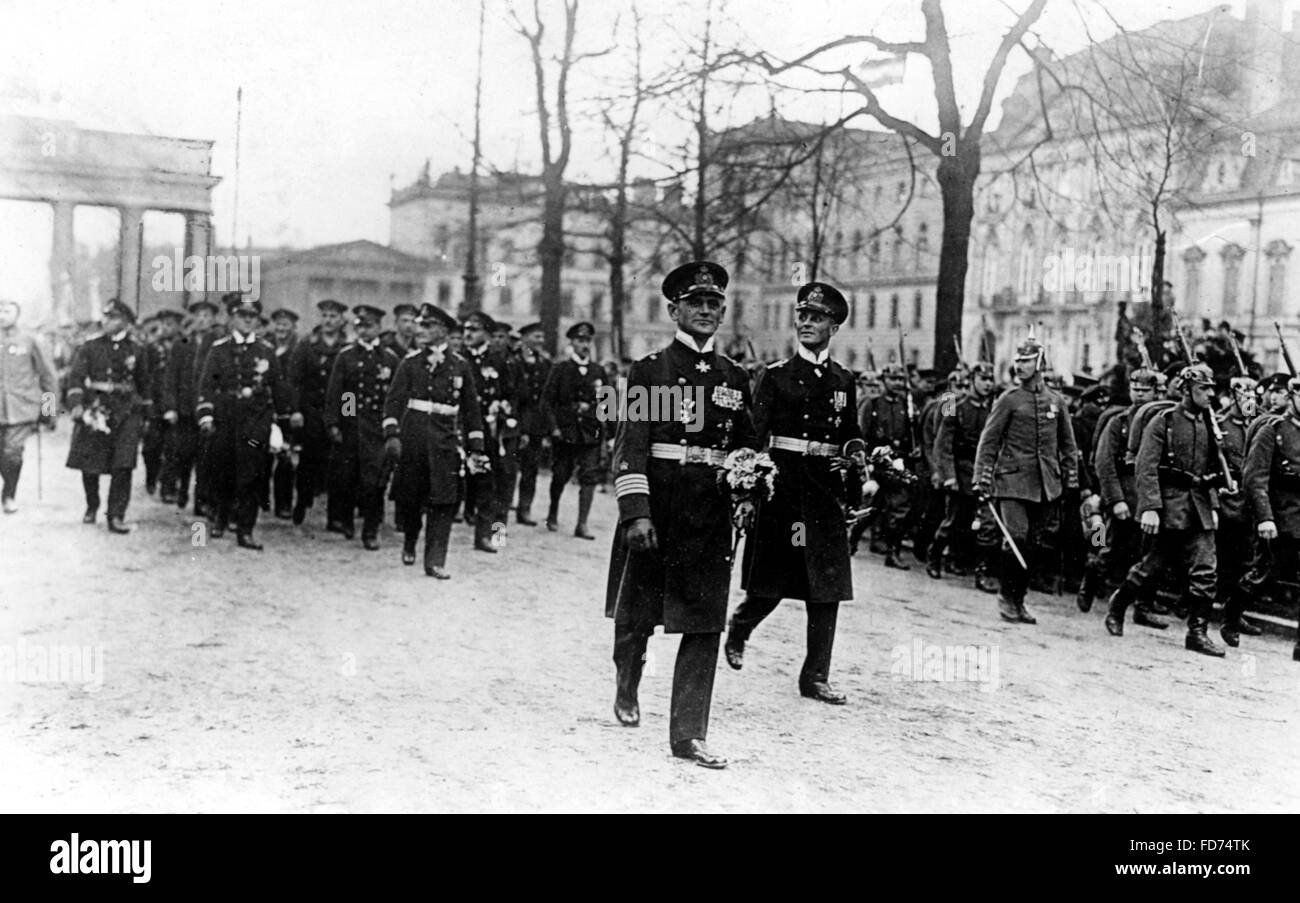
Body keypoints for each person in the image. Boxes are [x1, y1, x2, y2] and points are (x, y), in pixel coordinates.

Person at [605, 260, 757, 769]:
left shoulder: (735, 376)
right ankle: (628, 682)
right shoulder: (651, 370)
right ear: (675, 310)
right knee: (637, 618)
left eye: (715, 304)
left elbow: (748, 447)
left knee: (704, 623)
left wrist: (749, 485)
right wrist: (635, 512)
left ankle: (688, 734)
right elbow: (632, 446)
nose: (707, 311)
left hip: (709, 518)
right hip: (659, 509)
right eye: (696, 303)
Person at [725, 282, 863, 705]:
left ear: (833, 326)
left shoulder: (844, 380)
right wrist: (747, 488)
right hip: (784, 492)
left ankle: (815, 676)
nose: (806, 323)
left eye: (816, 317)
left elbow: (850, 433)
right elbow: (753, 434)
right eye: (802, 315)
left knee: (827, 588)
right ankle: (741, 627)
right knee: (774, 581)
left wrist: (855, 454)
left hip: (824, 495)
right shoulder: (776, 376)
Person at [1103, 364, 1226, 657]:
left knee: (1206, 569)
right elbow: (1145, 468)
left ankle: (1197, 633)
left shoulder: (1209, 423)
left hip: (1200, 506)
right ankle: (1119, 605)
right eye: (1203, 389)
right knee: (1151, 567)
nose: (1210, 394)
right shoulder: (1163, 422)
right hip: (1169, 505)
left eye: (1211, 388)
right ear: (1185, 390)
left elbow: (1213, 468)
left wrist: (1215, 505)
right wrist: (1150, 508)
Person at [972, 335, 1079, 624]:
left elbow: (1067, 445)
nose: (1020, 366)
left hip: (1046, 485)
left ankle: (1019, 600)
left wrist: (1070, 480)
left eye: (1027, 361)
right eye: (1018, 361)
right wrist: (982, 479)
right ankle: (1006, 599)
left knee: (1033, 544)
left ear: (1040, 363)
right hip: (1012, 483)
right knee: (1015, 537)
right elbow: (989, 442)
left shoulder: (1055, 401)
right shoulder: (1008, 400)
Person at [384, 304, 484, 578]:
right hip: (414, 440)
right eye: (421, 325)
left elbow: (472, 412)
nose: (421, 330)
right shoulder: (410, 363)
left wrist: (476, 447)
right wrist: (392, 434)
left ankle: (435, 560)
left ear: (442, 330)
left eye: (428, 326)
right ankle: (409, 542)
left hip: (446, 443)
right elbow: (393, 402)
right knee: (412, 499)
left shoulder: (460, 366)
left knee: (443, 502)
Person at [196, 295, 291, 550]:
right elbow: (207, 386)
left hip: (255, 422)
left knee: (251, 475)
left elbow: (278, 389)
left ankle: (246, 529)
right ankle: (220, 517)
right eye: (242, 316)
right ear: (232, 319)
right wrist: (206, 416)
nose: (248, 321)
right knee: (223, 471)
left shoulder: (266, 352)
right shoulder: (218, 350)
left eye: (253, 317)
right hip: (225, 420)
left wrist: (281, 426)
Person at [1076, 366, 1167, 629]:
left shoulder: (1160, 422)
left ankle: (1140, 607)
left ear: (1155, 392)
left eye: (1145, 390)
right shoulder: (1118, 422)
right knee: (1111, 547)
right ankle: (1091, 574)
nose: (1139, 395)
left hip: (1150, 498)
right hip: (1123, 495)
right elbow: (1103, 463)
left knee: (1146, 555)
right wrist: (1115, 499)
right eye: (1135, 389)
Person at [1227, 375, 1300, 661]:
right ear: (1292, 397)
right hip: (1280, 517)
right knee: (1264, 576)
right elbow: (1255, 478)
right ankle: (1231, 615)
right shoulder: (1273, 429)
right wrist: (1265, 518)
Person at [65, 299, 151, 532]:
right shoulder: (90, 346)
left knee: (123, 464)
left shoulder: (137, 349)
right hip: (97, 408)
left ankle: (116, 515)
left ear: (125, 322)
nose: (106, 322)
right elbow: (75, 379)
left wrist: (146, 415)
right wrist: (76, 405)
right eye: (105, 317)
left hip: (127, 412)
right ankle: (92, 504)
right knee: (90, 464)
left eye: (112, 318)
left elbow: (145, 385)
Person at [324, 305, 402, 550]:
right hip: (354, 427)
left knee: (375, 481)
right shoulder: (347, 355)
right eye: (360, 326)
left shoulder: (389, 358)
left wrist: (391, 425)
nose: (364, 331)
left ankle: (371, 529)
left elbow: (395, 396)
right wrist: (339, 422)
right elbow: (340, 391)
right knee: (348, 477)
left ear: (379, 328)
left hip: (379, 428)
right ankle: (345, 521)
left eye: (368, 326)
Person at [930, 361, 1000, 592]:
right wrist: (947, 475)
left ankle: (980, 573)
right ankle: (935, 555)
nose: (987, 384)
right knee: (954, 519)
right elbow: (943, 443)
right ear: (972, 380)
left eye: (990, 380)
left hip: (983, 472)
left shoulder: (995, 409)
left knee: (985, 523)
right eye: (983, 379)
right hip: (959, 470)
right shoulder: (952, 404)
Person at [541, 321, 606, 539]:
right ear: (572, 343)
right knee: (560, 474)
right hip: (566, 432)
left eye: (587, 340)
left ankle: (582, 524)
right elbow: (547, 401)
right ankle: (552, 512)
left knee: (590, 475)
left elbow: (608, 403)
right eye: (580, 340)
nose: (584, 345)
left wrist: (606, 432)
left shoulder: (599, 371)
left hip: (590, 432)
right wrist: (554, 428)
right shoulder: (560, 369)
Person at [287, 299, 348, 528]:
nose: (328, 321)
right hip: (311, 411)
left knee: (338, 466)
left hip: (338, 413)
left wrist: (347, 416)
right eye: (325, 316)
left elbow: (349, 387)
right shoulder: (307, 345)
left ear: (341, 320)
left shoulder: (347, 347)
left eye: (333, 316)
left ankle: (335, 517)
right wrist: (295, 409)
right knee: (308, 461)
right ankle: (301, 503)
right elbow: (294, 381)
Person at [461, 310, 518, 553]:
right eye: (465, 329)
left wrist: (504, 410)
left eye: (473, 330)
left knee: (491, 485)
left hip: (488, 432)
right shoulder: (458, 359)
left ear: (485, 333)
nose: (467, 334)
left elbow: (512, 394)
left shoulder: (500, 361)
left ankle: (488, 535)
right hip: (458, 430)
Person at [1215, 375, 1264, 647]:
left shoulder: (1257, 427)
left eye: (1254, 397)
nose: (1250, 402)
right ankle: (1193, 606)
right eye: (1244, 396)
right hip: (1224, 499)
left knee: (1245, 559)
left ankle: (1234, 613)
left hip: (1248, 502)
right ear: (1232, 397)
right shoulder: (1220, 426)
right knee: (1219, 557)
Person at [160, 298, 219, 516]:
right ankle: (183, 488)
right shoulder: (182, 344)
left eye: (207, 316)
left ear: (213, 319)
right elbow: (171, 377)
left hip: (208, 410)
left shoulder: (218, 343)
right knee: (184, 454)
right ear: (193, 318)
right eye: (199, 315)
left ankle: (201, 500)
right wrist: (171, 406)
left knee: (206, 457)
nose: (203, 320)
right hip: (185, 409)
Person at [0, 300, 58, 513]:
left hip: (21, 408)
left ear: (17, 314)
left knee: (12, 452)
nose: (2, 315)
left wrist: (49, 412)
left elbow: (48, 377)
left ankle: (8, 494)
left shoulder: (30, 339)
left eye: (7, 311)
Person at [860, 362, 917, 568]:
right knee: (873, 507)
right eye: (892, 379)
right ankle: (853, 539)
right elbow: (862, 434)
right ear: (884, 380)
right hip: (877, 460)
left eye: (900, 379)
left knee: (900, 507)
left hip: (898, 461)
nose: (897, 383)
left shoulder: (906, 405)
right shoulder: (872, 403)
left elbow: (912, 433)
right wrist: (866, 464)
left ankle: (893, 553)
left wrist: (913, 448)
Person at [141, 309, 182, 500]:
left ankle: (168, 488)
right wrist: (147, 402)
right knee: (151, 446)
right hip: (156, 403)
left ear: (178, 326)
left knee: (174, 447)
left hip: (176, 403)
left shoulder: (184, 345)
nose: (167, 328)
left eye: (171, 324)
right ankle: (151, 476)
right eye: (164, 324)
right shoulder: (151, 348)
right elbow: (145, 376)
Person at [514, 321, 551, 526]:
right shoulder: (513, 361)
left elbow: (547, 398)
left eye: (542, 337)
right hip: (513, 420)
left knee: (531, 469)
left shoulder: (544, 364)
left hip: (535, 423)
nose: (541, 341)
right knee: (507, 468)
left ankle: (524, 508)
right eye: (537, 337)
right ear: (525, 338)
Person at [266, 307, 300, 518]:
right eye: (278, 324)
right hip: (265, 409)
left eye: (285, 325)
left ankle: (283, 503)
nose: (281, 329)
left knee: (285, 457)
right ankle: (261, 499)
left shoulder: (298, 350)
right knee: (261, 456)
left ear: (293, 327)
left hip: (287, 410)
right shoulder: (265, 348)